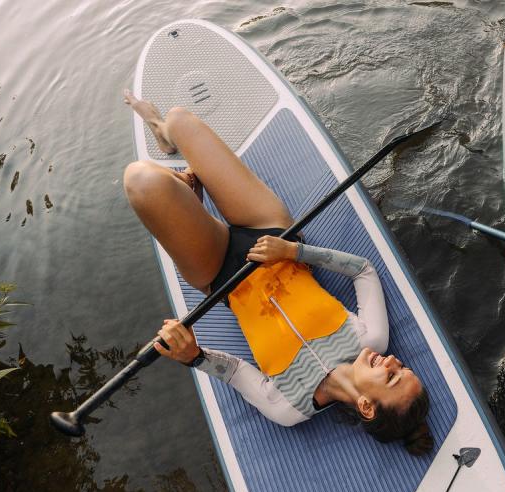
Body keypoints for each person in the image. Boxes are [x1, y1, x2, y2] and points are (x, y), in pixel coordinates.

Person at [121, 90, 432, 455]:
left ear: (366, 406)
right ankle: (165, 138)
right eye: (403, 367)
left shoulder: (289, 408)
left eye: (392, 377)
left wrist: (194, 356)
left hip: (220, 276)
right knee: (178, 120)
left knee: (140, 181)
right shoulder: (373, 339)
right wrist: (293, 250)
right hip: (271, 233)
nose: (394, 361)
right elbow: (363, 271)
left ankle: (188, 187)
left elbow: (236, 372)